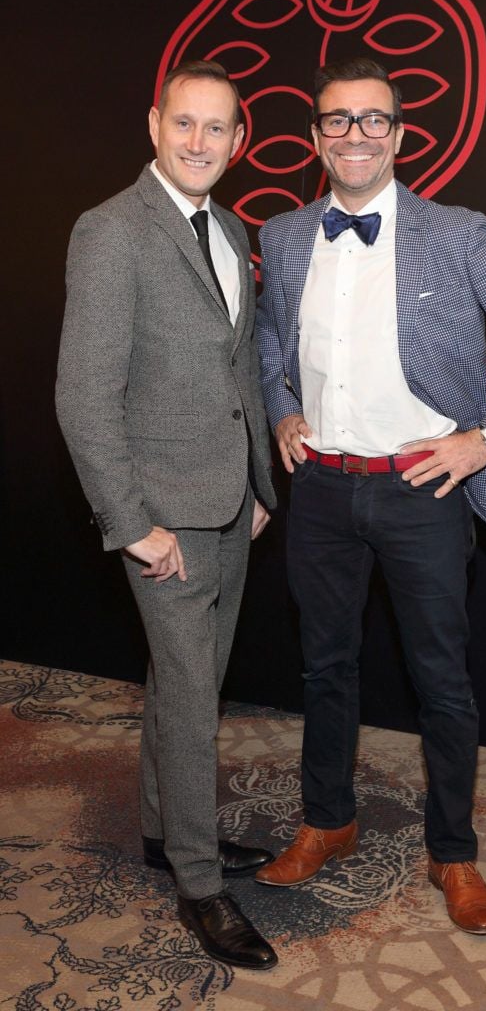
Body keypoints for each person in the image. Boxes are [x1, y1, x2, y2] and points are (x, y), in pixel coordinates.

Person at [254, 56, 486, 934]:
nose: (354, 134)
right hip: (320, 491)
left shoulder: (455, 233)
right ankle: (328, 821)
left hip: (418, 490)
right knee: (324, 670)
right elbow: (269, 347)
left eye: (371, 120)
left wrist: (485, 438)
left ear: (397, 135)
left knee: (440, 681)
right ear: (314, 135)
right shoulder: (282, 237)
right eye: (336, 119)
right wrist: (282, 408)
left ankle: (454, 852)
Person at [56, 60, 278, 970]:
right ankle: (198, 882)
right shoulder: (110, 231)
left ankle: (161, 832)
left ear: (237, 140)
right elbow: (82, 396)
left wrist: (262, 485)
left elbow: (239, 374)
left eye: (215, 129)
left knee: (190, 687)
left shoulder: (228, 226)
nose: (198, 142)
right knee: (191, 701)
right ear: (155, 125)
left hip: (231, 504)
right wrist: (133, 523)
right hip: (162, 519)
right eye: (183, 124)